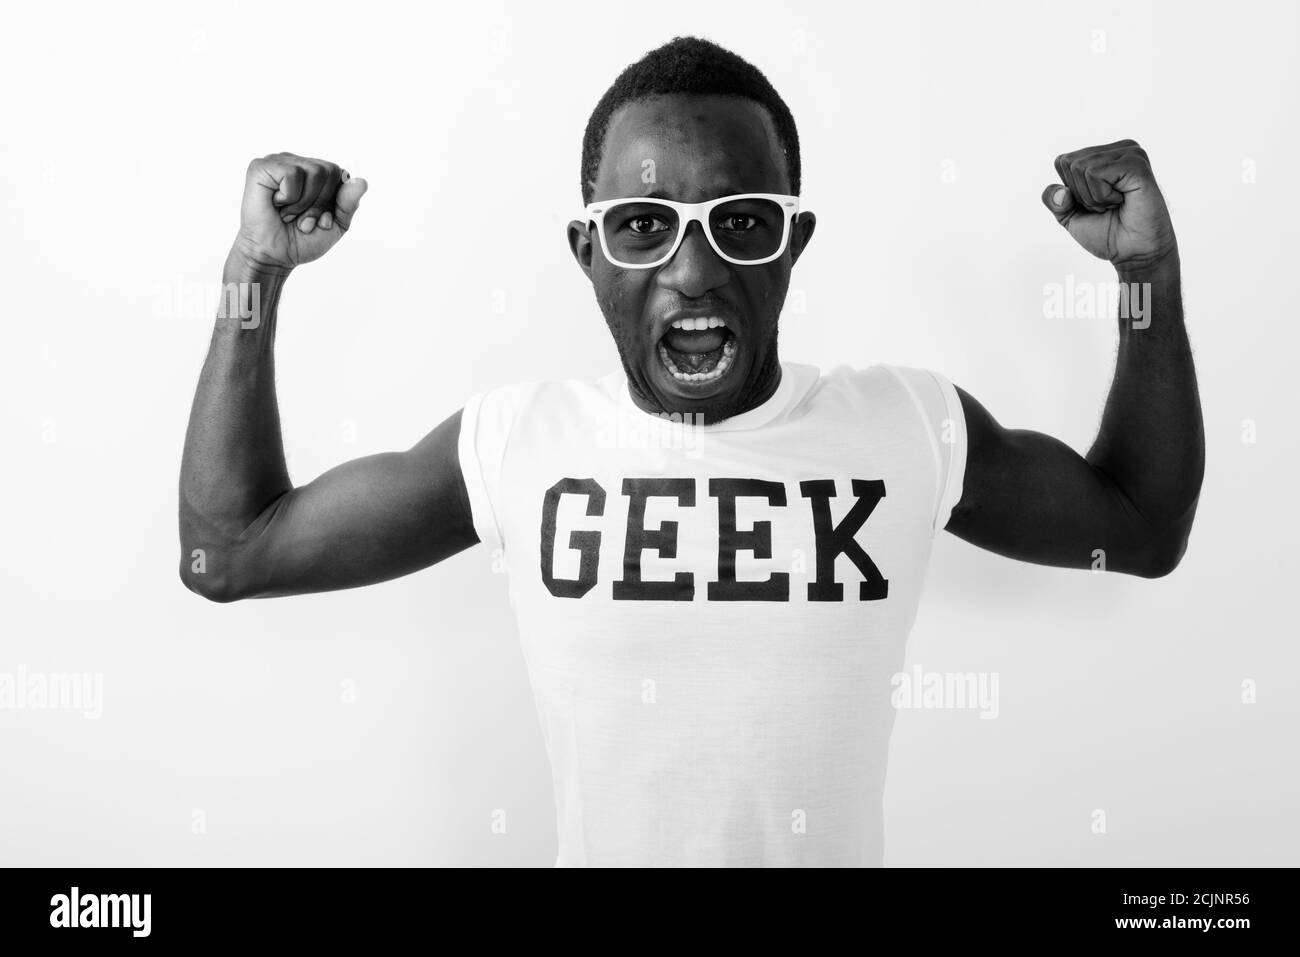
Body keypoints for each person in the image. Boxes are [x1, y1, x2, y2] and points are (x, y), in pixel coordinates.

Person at [179, 36, 1204, 866]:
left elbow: (1142, 528)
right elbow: (227, 555)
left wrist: (1145, 273)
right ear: (588, 253)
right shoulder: (514, 444)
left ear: (794, 242)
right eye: (642, 225)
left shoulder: (909, 425)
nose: (695, 268)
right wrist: (253, 276)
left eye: (743, 223)